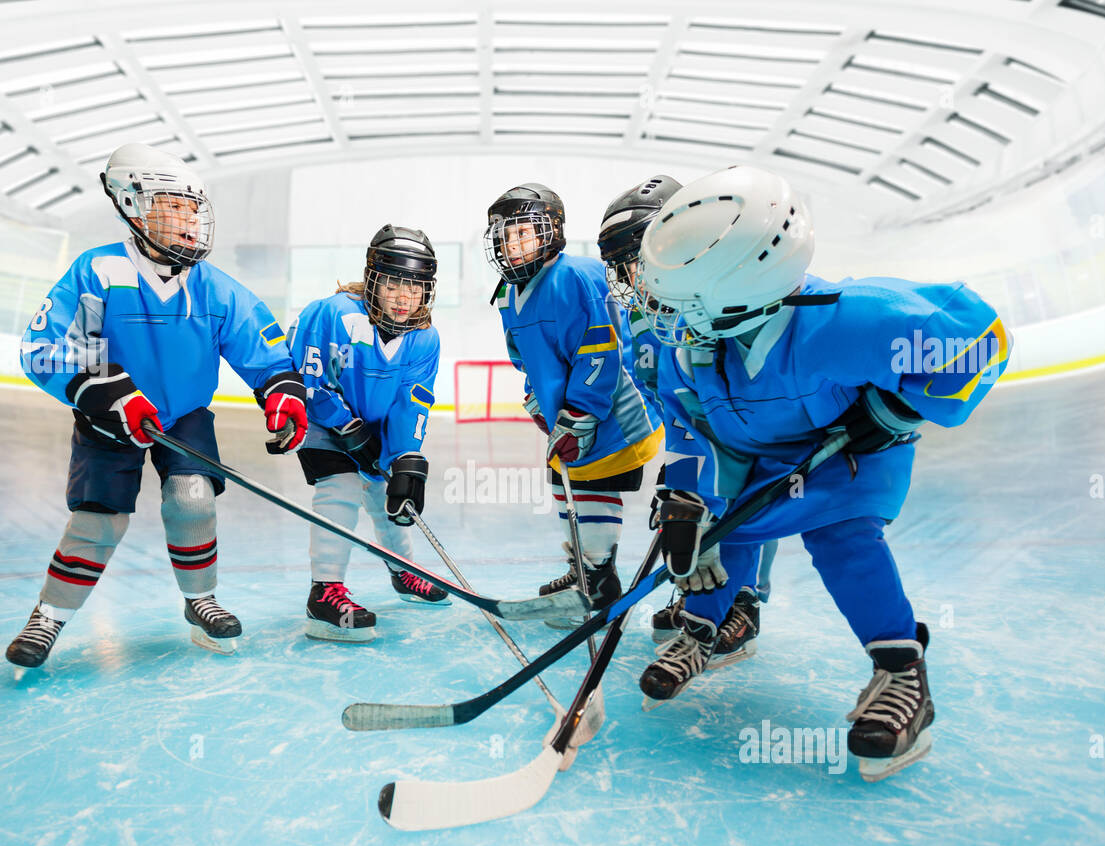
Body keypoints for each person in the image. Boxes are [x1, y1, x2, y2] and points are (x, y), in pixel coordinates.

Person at [636, 165, 1010, 780]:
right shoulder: (693, 346)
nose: (663, 315)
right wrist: (686, 499)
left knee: (842, 540)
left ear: (742, 285)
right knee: (716, 539)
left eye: (683, 302)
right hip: (754, 461)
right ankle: (703, 634)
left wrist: (894, 409)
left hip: (847, 456)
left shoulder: (852, 319)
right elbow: (687, 428)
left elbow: (980, 341)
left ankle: (901, 672)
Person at [6, 142, 307, 670]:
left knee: (193, 498)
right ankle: (49, 615)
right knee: (97, 522)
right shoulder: (96, 271)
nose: (189, 220)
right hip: (108, 416)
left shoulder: (215, 287)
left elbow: (263, 349)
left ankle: (201, 599)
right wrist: (106, 391)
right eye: (173, 205)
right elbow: (43, 350)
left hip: (184, 414)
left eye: (193, 207)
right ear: (130, 203)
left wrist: (281, 393)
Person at [598, 174, 775, 667]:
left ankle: (743, 603)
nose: (634, 276)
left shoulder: (716, 304)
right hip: (696, 436)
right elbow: (666, 400)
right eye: (622, 265)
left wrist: (705, 484)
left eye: (640, 258)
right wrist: (681, 476)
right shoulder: (639, 316)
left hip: (749, 439)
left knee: (745, 509)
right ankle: (703, 595)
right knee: (685, 517)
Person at [486, 182, 662, 623]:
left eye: (523, 232)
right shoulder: (508, 293)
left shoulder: (579, 276)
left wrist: (580, 415)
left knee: (593, 487)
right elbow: (522, 353)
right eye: (506, 236)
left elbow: (601, 350)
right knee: (566, 488)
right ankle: (584, 571)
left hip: (612, 415)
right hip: (567, 415)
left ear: (551, 232)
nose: (513, 244)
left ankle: (598, 582)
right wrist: (535, 399)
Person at [284, 224, 448, 642]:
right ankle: (324, 592)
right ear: (373, 278)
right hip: (324, 422)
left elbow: (413, 400)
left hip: (373, 427)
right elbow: (308, 379)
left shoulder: (424, 338)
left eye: (415, 286)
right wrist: (347, 427)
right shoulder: (332, 313)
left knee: (388, 496)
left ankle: (403, 571)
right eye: (393, 283)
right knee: (339, 489)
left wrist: (406, 456)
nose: (403, 296)